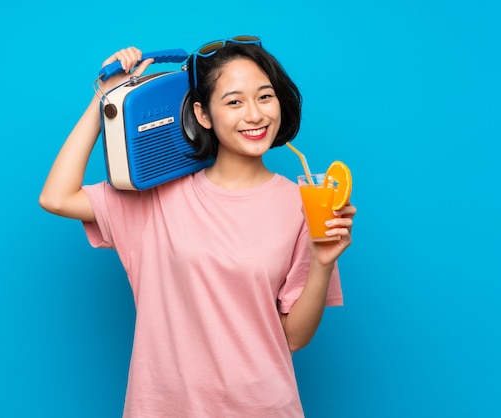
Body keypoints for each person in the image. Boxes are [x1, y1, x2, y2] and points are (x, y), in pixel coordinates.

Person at [39, 36, 356, 417]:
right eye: (234, 101)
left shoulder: (304, 203)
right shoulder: (158, 196)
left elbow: (294, 337)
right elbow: (56, 197)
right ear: (203, 115)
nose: (255, 115)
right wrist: (105, 99)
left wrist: (322, 262)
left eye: (265, 96)